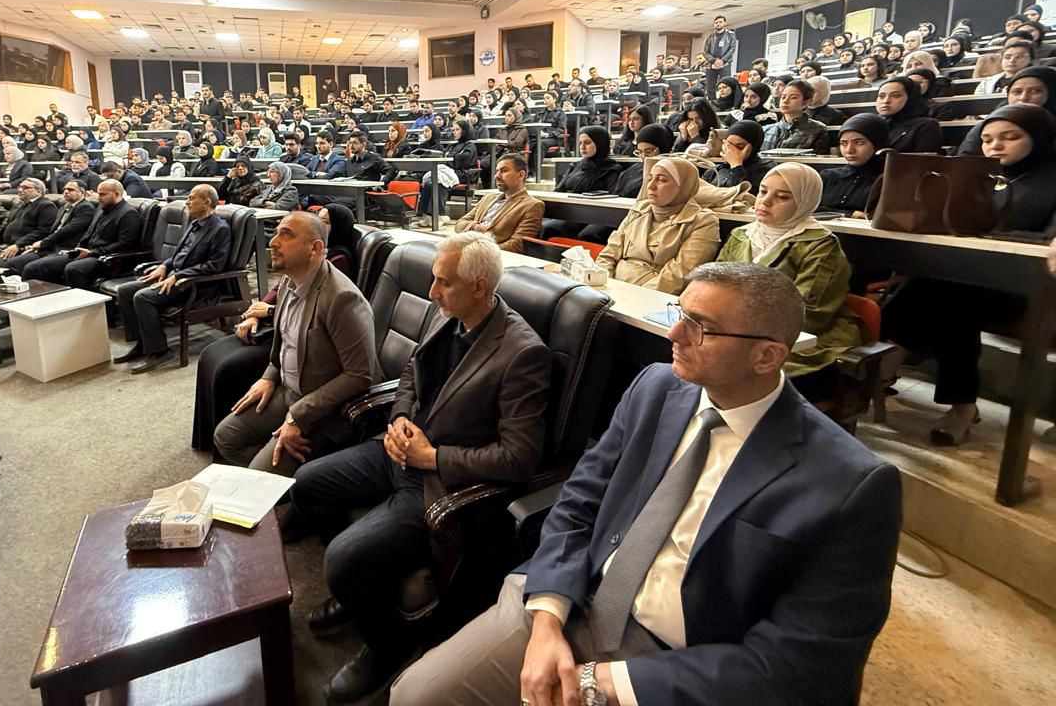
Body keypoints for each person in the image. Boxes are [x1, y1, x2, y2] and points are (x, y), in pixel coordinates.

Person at [390, 263, 902, 706]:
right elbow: (579, 501)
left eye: (700, 327)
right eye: (681, 312)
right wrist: (547, 619)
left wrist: (601, 682)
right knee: (414, 694)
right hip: (573, 595)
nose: (674, 334)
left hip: (679, 663)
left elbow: (804, 663)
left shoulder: (851, 483)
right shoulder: (656, 387)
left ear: (766, 356)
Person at [284, 232, 551, 702]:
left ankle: (388, 645)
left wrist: (434, 457)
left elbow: (518, 457)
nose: (432, 292)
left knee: (342, 560)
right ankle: (361, 591)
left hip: (439, 480)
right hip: (401, 450)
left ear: (480, 287)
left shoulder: (522, 352)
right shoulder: (449, 316)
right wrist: (401, 417)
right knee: (307, 484)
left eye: (444, 282)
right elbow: (412, 371)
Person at [882, 103, 1056, 445]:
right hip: (969, 281)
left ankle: (888, 364)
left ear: (1038, 138)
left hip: (1027, 291)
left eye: (1010, 137)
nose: (995, 146)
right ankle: (958, 403)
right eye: (987, 139)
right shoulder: (977, 176)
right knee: (937, 292)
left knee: (945, 297)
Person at [214, 209, 378, 473]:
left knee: (260, 474)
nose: (273, 242)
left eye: (287, 235)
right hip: (289, 389)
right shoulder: (289, 282)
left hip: (326, 408)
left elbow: (361, 375)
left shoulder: (342, 299)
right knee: (225, 438)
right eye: (277, 233)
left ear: (315, 248)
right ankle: (287, 480)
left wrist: (298, 416)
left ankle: (287, 478)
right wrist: (269, 376)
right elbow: (285, 343)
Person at [716, 164, 863, 400]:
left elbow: (808, 314)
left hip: (799, 339)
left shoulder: (820, 246)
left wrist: (736, 330)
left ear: (805, 202)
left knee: (738, 369)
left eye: (782, 197)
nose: (765, 201)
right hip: (738, 329)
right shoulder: (741, 235)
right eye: (763, 191)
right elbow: (714, 286)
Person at [112, 184, 231, 373]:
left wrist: (179, 275)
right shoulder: (194, 223)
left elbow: (215, 266)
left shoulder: (219, 229)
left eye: (191, 198)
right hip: (174, 276)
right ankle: (142, 344)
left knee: (143, 297)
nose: (187, 202)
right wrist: (164, 266)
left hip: (193, 285)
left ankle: (160, 351)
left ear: (206, 202)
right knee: (125, 291)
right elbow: (179, 255)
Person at [595, 157, 720, 294]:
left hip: (653, 296)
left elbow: (679, 275)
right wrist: (602, 285)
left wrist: (633, 297)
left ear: (684, 186)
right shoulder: (639, 209)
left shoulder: (703, 221)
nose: (651, 186)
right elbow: (608, 255)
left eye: (661, 180)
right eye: (650, 178)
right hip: (611, 289)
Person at [21, 179, 142, 289]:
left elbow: (125, 244)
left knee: (71, 268)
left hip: (106, 258)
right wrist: (77, 249)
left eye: (103, 195)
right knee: (34, 267)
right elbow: (89, 233)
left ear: (116, 194)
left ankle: (83, 303)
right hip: (87, 252)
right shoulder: (101, 209)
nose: (98, 198)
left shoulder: (128, 213)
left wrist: (91, 253)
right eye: (98, 194)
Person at [0, 180, 96, 273]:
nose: (66, 191)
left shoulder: (85, 207)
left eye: (71, 190)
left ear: (82, 192)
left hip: (66, 248)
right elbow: (52, 230)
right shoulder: (64, 207)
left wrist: (42, 243)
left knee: (25, 266)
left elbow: (67, 230)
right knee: (14, 262)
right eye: (65, 189)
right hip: (49, 247)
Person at [453, 153, 544, 252]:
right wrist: (476, 227)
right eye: (497, 171)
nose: (497, 176)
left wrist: (481, 251)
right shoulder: (488, 198)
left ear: (521, 175)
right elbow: (459, 224)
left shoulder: (532, 205)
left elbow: (517, 244)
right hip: (469, 246)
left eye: (504, 171)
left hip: (491, 255)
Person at [958, 65, 1056, 154]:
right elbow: (967, 157)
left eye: (1036, 91)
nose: (1023, 98)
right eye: (1017, 92)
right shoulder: (993, 122)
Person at [0, 179, 58, 267]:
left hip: (23, 246)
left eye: (25, 188)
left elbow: (42, 231)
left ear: (38, 191)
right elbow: (4, 225)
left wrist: (18, 245)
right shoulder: (19, 204)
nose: (20, 190)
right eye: (19, 187)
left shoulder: (46, 206)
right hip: (4, 244)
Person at [818, 114, 887, 217]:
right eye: (843, 143)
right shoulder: (829, 176)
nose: (849, 150)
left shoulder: (888, 180)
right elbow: (808, 208)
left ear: (877, 144)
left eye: (859, 143)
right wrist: (849, 214)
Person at [415, 120, 478, 224]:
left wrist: (451, 156)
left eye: (457, 130)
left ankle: (439, 215)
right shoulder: (452, 145)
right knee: (429, 181)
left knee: (439, 180)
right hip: (450, 171)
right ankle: (426, 215)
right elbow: (444, 156)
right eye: (453, 130)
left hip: (463, 174)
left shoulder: (470, 146)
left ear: (464, 131)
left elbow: (463, 160)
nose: (454, 132)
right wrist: (452, 156)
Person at [875, 76, 943, 153]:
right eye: (881, 96)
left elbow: (923, 159)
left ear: (911, 98)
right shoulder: (873, 123)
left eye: (895, 96)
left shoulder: (926, 125)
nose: (886, 101)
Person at [704, 118, 774, 191]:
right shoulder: (717, 169)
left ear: (754, 147)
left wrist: (736, 165)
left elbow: (748, 193)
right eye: (729, 145)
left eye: (739, 146)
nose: (732, 151)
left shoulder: (765, 169)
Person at [762, 80, 829, 154]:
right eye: (783, 97)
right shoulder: (765, 130)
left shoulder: (818, 130)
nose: (785, 101)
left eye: (793, 97)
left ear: (805, 102)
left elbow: (818, 159)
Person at [319, 203, 361, 279]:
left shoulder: (339, 259)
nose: (319, 225)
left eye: (326, 222)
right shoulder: (321, 246)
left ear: (338, 226)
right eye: (318, 220)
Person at [701, 14, 737, 95]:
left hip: (725, 64)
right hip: (711, 64)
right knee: (710, 87)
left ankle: (726, 101)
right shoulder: (709, 37)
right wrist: (714, 60)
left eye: (720, 22)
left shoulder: (731, 35)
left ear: (725, 23)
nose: (718, 24)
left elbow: (732, 49)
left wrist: (723, 60)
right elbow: (705, 51)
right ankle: (711, 102)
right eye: (716, 22)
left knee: (726, 84)